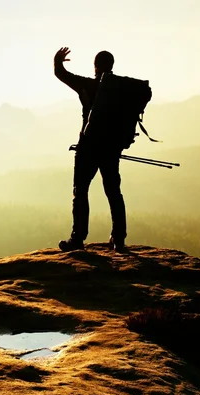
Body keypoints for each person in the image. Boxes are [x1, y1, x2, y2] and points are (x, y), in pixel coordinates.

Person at [54, 47, 126, 252]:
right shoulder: (121, 90)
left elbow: (61, 74)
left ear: (95, 67)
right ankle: (119, 239)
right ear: (111, 66)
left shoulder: (88, 85)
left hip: (88, 148)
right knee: (113, 191)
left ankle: (78, 239)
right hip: (111, 149)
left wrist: (58, 61)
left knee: (81, 191)